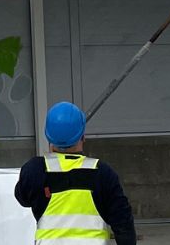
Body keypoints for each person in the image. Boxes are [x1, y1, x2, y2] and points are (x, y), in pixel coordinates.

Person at [15, 101, 136, 244]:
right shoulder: (103, 173)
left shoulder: (35, 170)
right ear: (83, 136)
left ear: (48, 136)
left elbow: (22, 198)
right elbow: (123, 225)